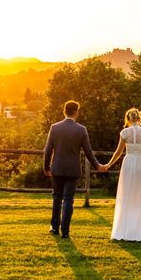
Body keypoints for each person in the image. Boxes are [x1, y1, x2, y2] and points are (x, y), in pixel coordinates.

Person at [44, 100, 104, 238]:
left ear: (64, 111)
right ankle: (65, 231)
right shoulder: (81, 129)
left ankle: (54, 227)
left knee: (57, 198)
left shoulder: (54, 127)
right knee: (68, 200)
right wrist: (97, 166)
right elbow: (88, 152)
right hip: (73, 170)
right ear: (76, 112)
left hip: (57, 168)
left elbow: (48, 150)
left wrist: (46, 167)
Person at [105, 108, 141, 241]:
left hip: (129, 163)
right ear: (139, 118)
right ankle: (138, 231)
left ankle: (125, 229)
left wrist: (109, 164)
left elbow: (118, 152)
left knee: (127, 194)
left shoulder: (125, 132)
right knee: (140, 195)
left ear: (128, 119)